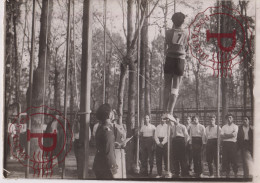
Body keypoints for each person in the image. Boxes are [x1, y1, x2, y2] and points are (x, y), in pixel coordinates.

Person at [163, 12, 188, 117]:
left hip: (169, 59)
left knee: (167, 87)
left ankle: (164, 112)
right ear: (183, 22)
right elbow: (186, 46)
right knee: (175, 88)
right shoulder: (186, 32)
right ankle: (171, 112)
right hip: (179, 60)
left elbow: (166, 46)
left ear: (173, 21)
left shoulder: (168, 32)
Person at [92, 103, 118, 179]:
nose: (113, 113)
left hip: (98, 165)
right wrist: (114, 170)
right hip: (106, 168)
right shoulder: (108, 132)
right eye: (111, 111)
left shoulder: (100, 128)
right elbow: (109, 153)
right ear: (109, 115)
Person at [220, 113, 238, 178]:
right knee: (226, 159)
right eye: (228, 118)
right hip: (225, 144)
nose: (229, 119)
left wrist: (226, 135)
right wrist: (229, 135)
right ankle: (227, 173)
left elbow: (234, 135)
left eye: (230, 117)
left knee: (234, 159)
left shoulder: (235, 126)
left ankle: (235, 172)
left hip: (232, 144)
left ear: (232, 119)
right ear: (226, 119)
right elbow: (221, 136)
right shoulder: (224, 126)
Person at [111, 110, 127, 179]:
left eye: (115, 118)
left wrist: (124, 142)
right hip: (110, 152)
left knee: (119, 171)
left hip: (118, 151)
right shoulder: (106, 127)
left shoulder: (120, 127)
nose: (114, 121)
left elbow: (123, 138)